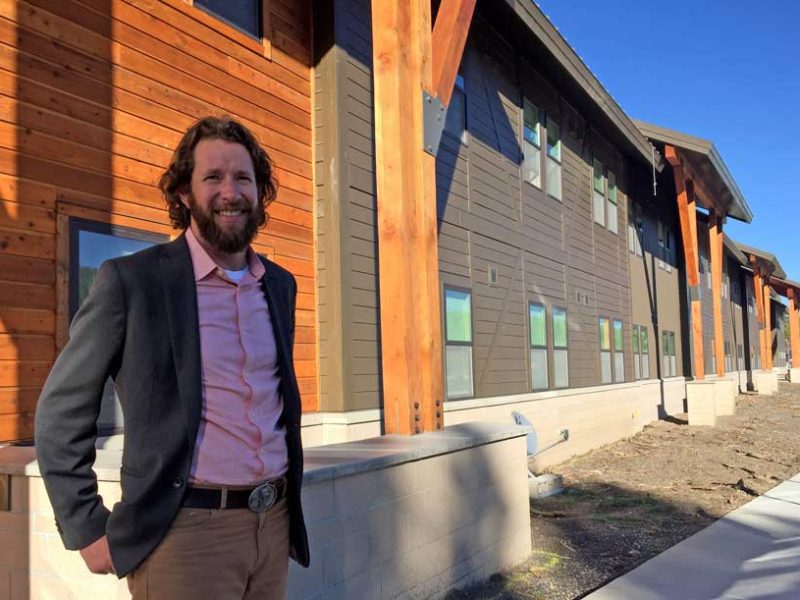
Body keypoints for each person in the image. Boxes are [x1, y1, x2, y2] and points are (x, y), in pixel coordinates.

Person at [34, 116, 309, 599]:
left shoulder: (278, 285)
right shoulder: (132, 282)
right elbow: (61, 410)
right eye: (213, 178)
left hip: (273, 526)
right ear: (184, 193)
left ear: (259, 191)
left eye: (243, 178)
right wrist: (85, 525)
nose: (231, 191)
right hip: (185, 536)